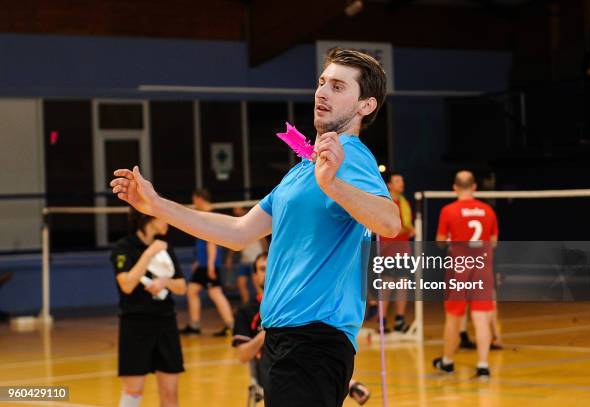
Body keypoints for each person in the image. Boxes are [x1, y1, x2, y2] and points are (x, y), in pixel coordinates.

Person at [110, 47, 400, 407]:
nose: (322, 92)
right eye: (322, 82)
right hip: (283, 338)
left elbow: (389, 222)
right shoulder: (303, 170)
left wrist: (334, 185)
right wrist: (157, 205)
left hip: (315, 339)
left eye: (338, 87)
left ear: (365, 106)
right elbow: (238, 232)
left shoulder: (349, 155)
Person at [232, 253, 371, 405]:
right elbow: (242, 355)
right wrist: (264, 335)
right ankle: (349, 384)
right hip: (271, 371)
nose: (267, 273)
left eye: (270, 268)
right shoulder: (246, 311)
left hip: (305, 364)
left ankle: (347, 382)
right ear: (254, 275)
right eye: (262, 269)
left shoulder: (294, 305)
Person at [110, 209, 186, 407]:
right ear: (149, 218)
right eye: (164, 216)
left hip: (165, 323)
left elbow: (181, 286)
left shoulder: (166, 247)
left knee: (170, 395)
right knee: (133, 391)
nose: (168, 222)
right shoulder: (123, 248)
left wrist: (164, 282)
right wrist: (149, 253)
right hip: (135, 325)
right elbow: (126, 285)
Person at [433, 170, 498, 379]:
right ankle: (483, 366)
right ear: (475, 187)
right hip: (483, 268)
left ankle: (448, 361)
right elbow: (494, 241)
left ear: (454, 188)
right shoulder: (488, 210)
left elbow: (440, 241)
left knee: (454, 317)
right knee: (481, 317)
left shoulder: (448, 211)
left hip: (459, 268)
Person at [180, 189, 234, 337]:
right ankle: (195, 325)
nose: (194, 204)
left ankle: (231, 325)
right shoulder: (204, 215)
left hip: (209, 265)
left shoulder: (209, 216)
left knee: (215, 293)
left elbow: (211, 242)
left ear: (199, 199)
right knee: (192, 291)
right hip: (204, 264)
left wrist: (210, 265)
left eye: (194, 200)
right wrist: (199, 260)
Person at [374, 171, 415, 332]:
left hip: (403, 250)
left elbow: (406, 226)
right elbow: (387, 227)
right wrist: (406, 229)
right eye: (397, 181)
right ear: (389, 185)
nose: (401, 183)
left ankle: (399, 320)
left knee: (403, 284)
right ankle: (382, 321)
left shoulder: (404, 203)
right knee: (386, 285)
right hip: (387, 251)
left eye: (402, 180)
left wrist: (409, 230)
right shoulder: (384, 202)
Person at [225, 206, 269, 304]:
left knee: (258, 285)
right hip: (244, 260)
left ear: (244, 210)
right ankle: (246, 308)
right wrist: (229, 257)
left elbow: (264, 243)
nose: (235, 210)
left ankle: (263, 307)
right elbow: (234, 242)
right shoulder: (237, 225)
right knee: (241, 283)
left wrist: (265, 256)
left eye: (238, 208)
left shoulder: (255, 224)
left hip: (255, 259)